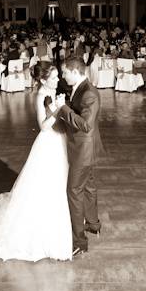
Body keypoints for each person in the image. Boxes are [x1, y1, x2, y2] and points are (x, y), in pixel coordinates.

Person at [0, 61, 72, 262]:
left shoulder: (53, 91)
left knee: (59, 182)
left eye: (57, 76)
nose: (58, 79)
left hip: (59, 140)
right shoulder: (40, 96)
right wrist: (57, 109)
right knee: (44, 185)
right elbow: (43, 126)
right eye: (53, 77)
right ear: (43, 80)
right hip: (48, 143)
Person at [53, 57, 104, 257]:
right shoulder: (81, 88)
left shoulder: (89, 92)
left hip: (83, 150)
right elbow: (77, 110)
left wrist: (63, 108)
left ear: (75, 71)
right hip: (85, 148)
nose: (63, 76)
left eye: (65, 72)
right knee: (89, 186)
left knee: (74, 191)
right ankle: (93, 224)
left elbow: (85, 124)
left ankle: (79, 242)